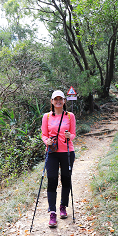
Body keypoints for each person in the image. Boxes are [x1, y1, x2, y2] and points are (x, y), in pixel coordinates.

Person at [41, 90, 76, 227]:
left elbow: (73, 133)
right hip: (52, 152)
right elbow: (44, 135)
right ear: (52, 101)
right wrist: (46, 141)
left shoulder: (70, 116)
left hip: (67, 151)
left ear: (64, 101)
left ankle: (63, 206)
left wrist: (69, 137)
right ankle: (52, 213)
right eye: (55, 99)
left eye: (60, 99)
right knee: (52, 180)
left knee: (66, 178)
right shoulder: (47, 117)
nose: (58, 101)